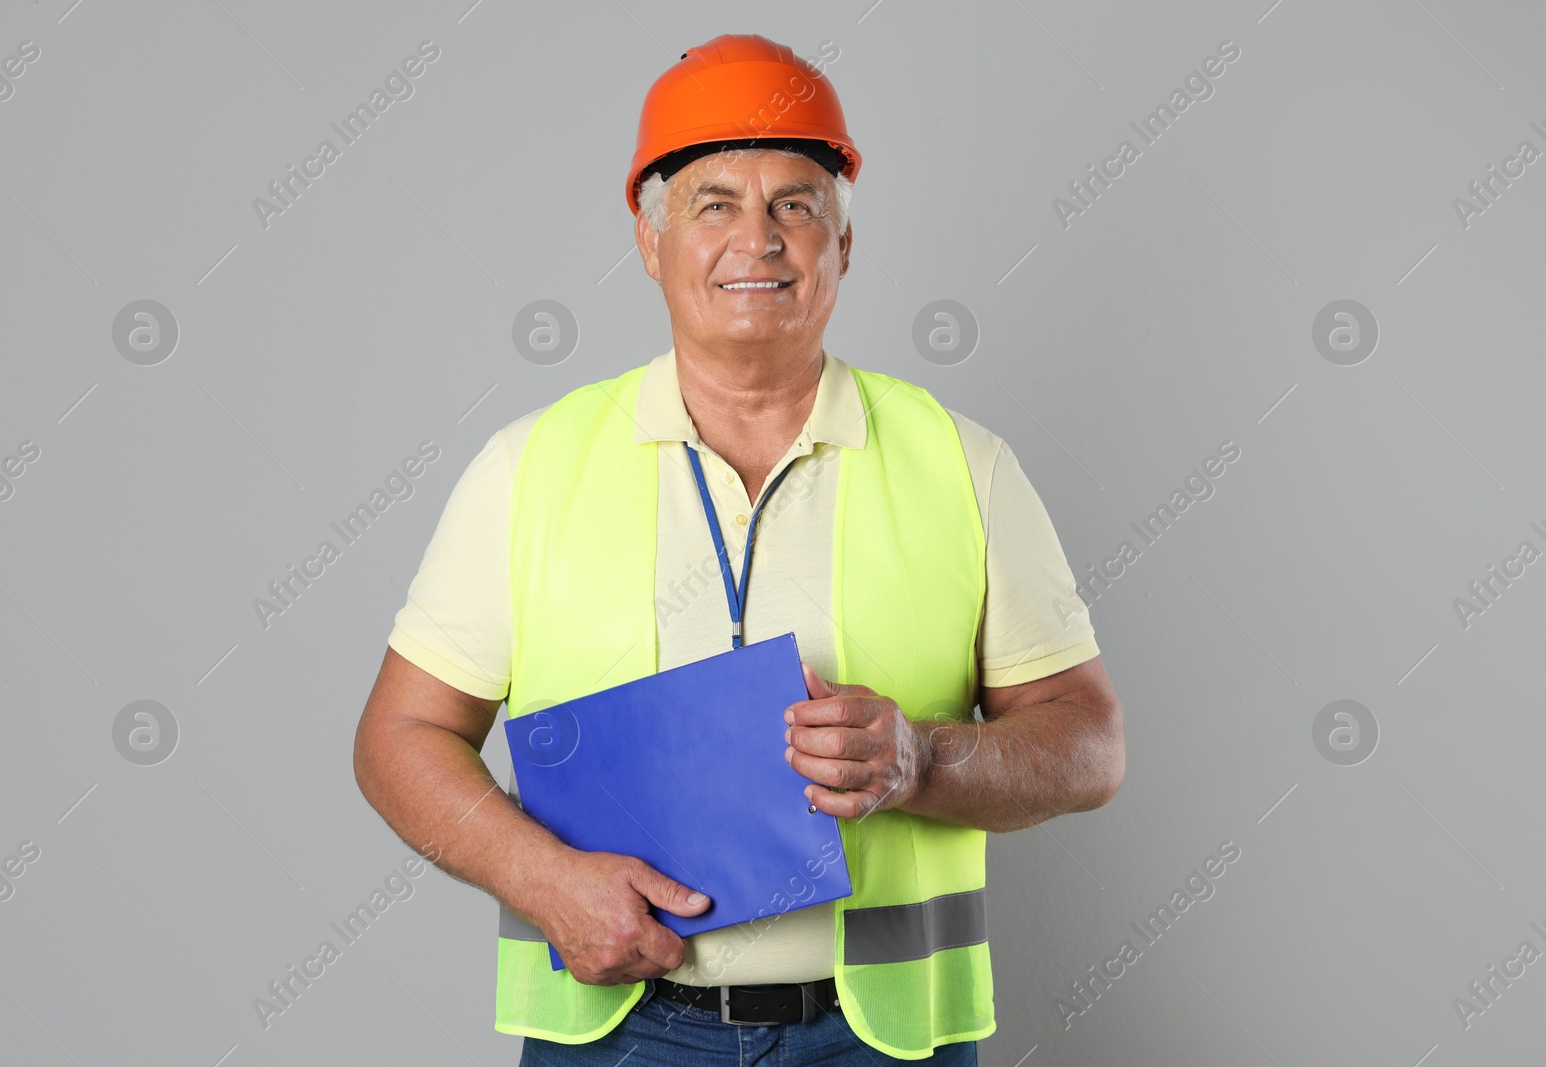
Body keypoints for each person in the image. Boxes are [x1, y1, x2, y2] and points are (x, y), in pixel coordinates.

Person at [354, 32, 1124, 1066]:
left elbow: (1088, 744)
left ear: (841, 245)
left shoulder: (961, 464)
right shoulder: (526, 467)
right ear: (651, 237)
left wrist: (921, 756)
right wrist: (541, 880)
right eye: (715, 202)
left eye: (794, 205)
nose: (756, 240)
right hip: (616, 1035)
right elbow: (399, 735)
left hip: (881, 1041)